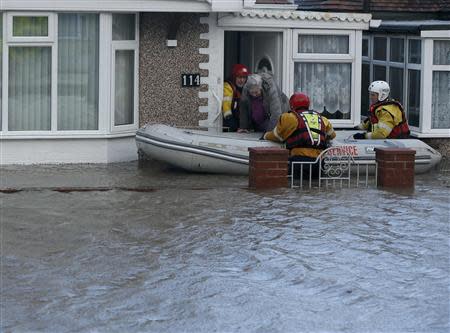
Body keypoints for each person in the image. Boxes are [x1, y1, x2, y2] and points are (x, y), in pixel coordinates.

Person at [262, 92, 336, 178]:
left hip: (300, 161)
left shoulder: (289, 118)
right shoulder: (322, 118)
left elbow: (277, 136)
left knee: (297, 188)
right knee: (315, 187)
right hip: (319, 162)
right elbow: (332, 135)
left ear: (292, 105)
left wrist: (265, 136)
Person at [222, 64, 250, 132]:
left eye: (244, 77)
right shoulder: (228, 87)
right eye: (239, 77)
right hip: (231, 121)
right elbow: (226, 107)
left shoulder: (247, 88)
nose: (242, 80)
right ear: (234, 77)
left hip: (242, 122)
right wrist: (232, 124)